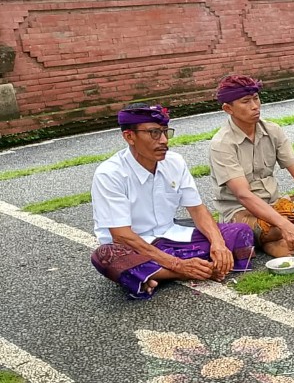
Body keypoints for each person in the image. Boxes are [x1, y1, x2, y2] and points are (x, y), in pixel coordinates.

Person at [91, 103, 255, 300]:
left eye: (165, 132)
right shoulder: (110, 174)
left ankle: (154, 274)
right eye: (154, 133)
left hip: (173, 237)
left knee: (239, 231)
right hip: (134, 246)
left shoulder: (174, 162)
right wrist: (179, 265)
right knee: (105, 256)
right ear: (129, 136)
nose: (163, 140)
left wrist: (218, 244)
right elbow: (122, 236)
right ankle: (188, 270)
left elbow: (197, 210)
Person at [209, 75, 294, 257]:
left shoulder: (273, 130)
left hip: (275, 204)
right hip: (242, 212)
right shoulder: (222, 143)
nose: (255, 106)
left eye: (256, 98)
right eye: (245, 101)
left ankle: (289, 237)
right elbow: (244, 195)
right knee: (260, 229)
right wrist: (285, 224)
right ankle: (282, 236)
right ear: (228, 108)